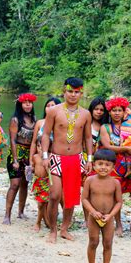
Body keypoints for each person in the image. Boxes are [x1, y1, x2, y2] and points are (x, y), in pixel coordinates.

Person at [41, 77, 93, 243]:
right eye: (70, 91)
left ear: (81, 93)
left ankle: (64, 229)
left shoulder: (85, 114)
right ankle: (53, 231)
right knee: (55, 195)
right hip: (56, 157)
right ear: (64, 92)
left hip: (76, 159)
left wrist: (89, 158)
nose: (73, 95)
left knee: (70, 196)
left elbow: (88, 138)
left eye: (76, 92)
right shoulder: (53, 111)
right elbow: (46, 135)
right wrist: (44, 155)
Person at [99, 96, 131, 236]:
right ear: (109, 112)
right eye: (114, 110)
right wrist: (125, 150)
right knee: (116, 197)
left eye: (120, 110)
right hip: (114, 166)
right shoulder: (105, 127)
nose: (117, 113)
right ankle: (118, 225)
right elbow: (106, 146)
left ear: (124, 112)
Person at [82, 149, 123, 263]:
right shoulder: (90, 180)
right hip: (93, 218)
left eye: (107, 164)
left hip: (108, 219)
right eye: (100, 164)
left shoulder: (115, 183)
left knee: (108, 243)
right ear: (94, 165)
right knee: (93, 242)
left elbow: (119, 202)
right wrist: (93, 212)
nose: (103, 167)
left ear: (113, 167)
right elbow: (84, 199)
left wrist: (111, 215)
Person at [3, 93, 37, 225]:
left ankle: (21, 212)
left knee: (25, 184)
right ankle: (7, 215)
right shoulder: (15, 120)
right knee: (15, 184)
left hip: (29, 155)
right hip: (17, 154)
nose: (28, 104)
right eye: (25, 102)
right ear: (20, 104)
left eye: (30, 102)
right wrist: (15, 159)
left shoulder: (34, 119)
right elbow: (12, 140)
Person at [29, 97, 61, 232]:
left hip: (53, 159)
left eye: (53, 106)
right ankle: (41, 220)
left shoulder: (60, 123)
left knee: (54, 195)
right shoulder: (40, 123)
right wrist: (31, 159)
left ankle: (50, 219)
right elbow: (33, 142)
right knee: (41, 199)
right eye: (48, 105)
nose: (50, 108)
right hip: (39, 160)